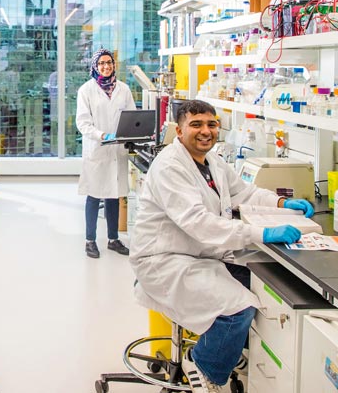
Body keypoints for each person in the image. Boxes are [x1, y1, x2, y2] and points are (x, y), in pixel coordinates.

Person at [130, 100, 314, 392]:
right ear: (179, 131)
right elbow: (199, 224)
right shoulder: (170, 166)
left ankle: (226, 353)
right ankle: (205, 369)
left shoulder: (212, 161)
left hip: (197, 255)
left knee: (261, 288)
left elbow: (244, 192)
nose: (206, 131)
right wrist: (261, 233)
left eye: (211, 124)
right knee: (238, 310)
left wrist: (281, 202)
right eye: (196, 125)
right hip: (164, 260)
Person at [76, 48, 137, 259]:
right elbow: (83, 123)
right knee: (94, 195)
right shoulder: (86, 90)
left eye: (109, 62)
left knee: (114, 195)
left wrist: (131, 134)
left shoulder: (124, 89)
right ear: (95, 66)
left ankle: (113, 239)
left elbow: (132, 116)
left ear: (113, 65)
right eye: (101, 63)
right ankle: (90, 241)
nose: (106, 66)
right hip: (97, 149)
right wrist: (102, 135)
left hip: (117, 150)